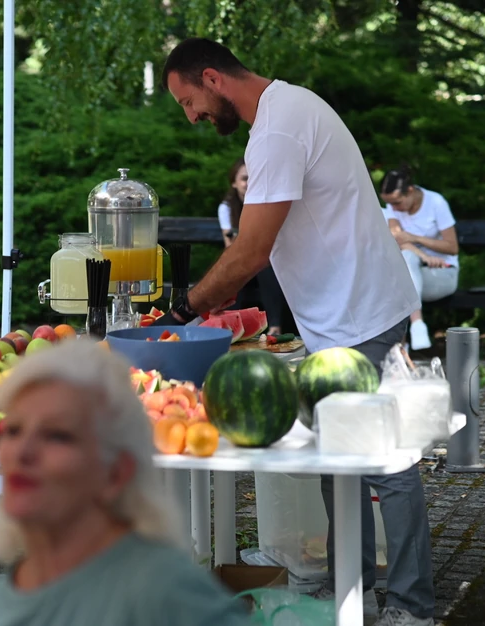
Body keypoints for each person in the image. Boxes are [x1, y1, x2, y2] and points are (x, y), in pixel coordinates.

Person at [159, 38, 434, 626]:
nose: (193, 117)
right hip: (344, 313)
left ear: (212, 78)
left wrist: (184, 310)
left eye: (189, 101)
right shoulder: (286, 109)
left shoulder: (279, 129)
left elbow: (252, 249)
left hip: (358, 313)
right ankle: (351, 596)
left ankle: (411, 608)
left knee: (386, 463)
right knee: (344, 465)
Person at [0, 341, 250, 626]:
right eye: (13, 431)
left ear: (115, 473)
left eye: (57, 435)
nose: (22, 452)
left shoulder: (165, 595)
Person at [379, 165, 459, 351]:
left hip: (442, 274)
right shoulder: (393, 208)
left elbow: (452, 247)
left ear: (410, 191)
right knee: (401, 267)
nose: (393, 207)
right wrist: (423, 255)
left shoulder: (436, 203)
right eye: (389, 204)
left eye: (397, 203)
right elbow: (397, 240)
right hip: (410, 274)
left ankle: (401, 348)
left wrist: (414, 238)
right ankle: (416, 326)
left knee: (396, 281)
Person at [218, 157, 289, 335]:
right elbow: (230, 245)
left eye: (252, 178)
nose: (248, 183)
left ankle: (275, 327)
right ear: (234, 183)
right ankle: (233, 327)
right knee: (237, 271)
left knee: (264, 267)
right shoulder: (227, 207)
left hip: (267, 262)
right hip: (243, 262)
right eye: (244, 179)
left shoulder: (267, 204)